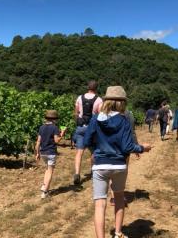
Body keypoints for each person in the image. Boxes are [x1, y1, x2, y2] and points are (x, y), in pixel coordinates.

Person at [84, 86, 151, 238]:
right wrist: (142, 148)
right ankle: (118, 233)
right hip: (119, 165)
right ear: (122, 103)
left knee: (100, 204)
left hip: (100, 165)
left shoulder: (95, 119)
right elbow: (127, 146)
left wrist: (95, 152)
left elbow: (87, 140)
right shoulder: (123, 120)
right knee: (119, 198)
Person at [73, 80, 103, 185]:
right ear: (96, 88)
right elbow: (100, 115)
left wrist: (78, 121)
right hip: (92, 128)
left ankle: (77, 173)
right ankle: (93, 172)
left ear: (88, 87)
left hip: (81, 127)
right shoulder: (99, 100)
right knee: (93, 151)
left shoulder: (79, 98)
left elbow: (76, 112)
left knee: (79, 152)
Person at [35, 110, 66, 199]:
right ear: (54, 119)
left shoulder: (41, 127)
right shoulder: (54, 127)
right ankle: (45, 192)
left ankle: (44, 186)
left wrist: (37, 153)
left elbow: (38, 141)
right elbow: (56, 141)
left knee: (47, 169)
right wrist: (62, 133)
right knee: (50, 171)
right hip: (51, 152)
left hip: (43, 152)